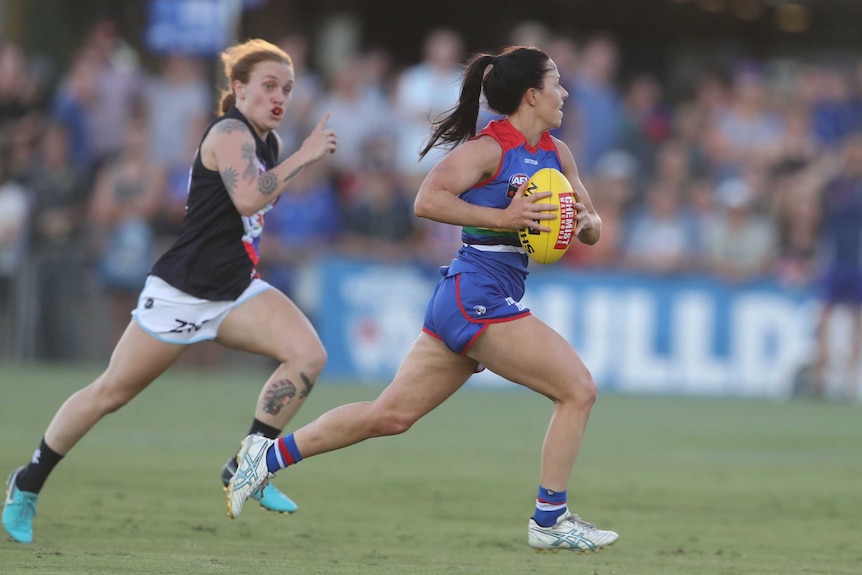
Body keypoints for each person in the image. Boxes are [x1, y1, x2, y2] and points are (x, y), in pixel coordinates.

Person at [227, 45, 619, 554]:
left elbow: (590, 228)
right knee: (577, 389)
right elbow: (427, 199)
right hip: (474, 296)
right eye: (556, 83)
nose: (564, 92)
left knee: (388, 415)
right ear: (530, 95)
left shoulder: (557, 154)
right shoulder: (488, 149)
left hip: (471, 298)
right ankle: (550, 520)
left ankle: (264, 458)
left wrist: (587, 225)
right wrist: (506, 218)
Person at [3, 38, 337, 543]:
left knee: (308, 356)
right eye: (269, 85)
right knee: (109, 394)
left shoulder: (268, 144)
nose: (280, 97)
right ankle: (27, 482)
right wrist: (307, 157)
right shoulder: (230, 131)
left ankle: (247, 466)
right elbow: (248, 198)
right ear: (239, 89)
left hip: (234, 290)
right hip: (182, 292)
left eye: (287, 89)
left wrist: (295, 158)